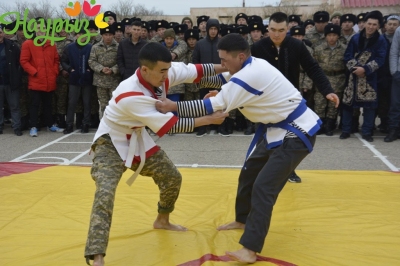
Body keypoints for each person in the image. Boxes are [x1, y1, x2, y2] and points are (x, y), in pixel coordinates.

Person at [155, 33, 339, 263]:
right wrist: (202, 84)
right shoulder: (249, 66)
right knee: (249, 172)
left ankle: (250, 249)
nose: (221, 65)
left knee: (264, 187)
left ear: (240, 56)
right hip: (275, 130)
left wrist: (173, 106)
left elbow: (214, 104)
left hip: (295, 132)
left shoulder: (252, 72)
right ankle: (242, 219)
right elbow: (225, 84)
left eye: (224, 60)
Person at [84, 42, 228, 266]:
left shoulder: (164, 71)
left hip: (137, 137)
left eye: (167, 70)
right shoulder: (130, 93)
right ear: (144, 70)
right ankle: (97, 254)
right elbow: (171, 125)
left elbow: (198, 71)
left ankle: (162, 220)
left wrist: (230, 68)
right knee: (105, 192)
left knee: (172, 178)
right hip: (110, 142)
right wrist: (209, 117)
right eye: (162, 71)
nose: (166, 75)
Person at [252, 12, 336, 183]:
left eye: (281, 30)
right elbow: (245, 74)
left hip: (289, 101)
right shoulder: (257, 48)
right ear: (267, 28)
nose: (276, 34)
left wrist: (327, 90)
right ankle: (260, 170)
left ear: (287, 28)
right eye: (273, 29)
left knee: (290, 138)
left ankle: (288, 170)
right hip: (264, 102)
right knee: (264, 137)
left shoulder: (296, 46)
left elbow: (312, 68)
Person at [340, 11, 388, 142]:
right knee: (348, 105)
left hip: (370, 78)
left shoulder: (381, 40)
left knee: (369, 106)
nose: (371, 27)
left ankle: (367, 131)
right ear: (364, 23)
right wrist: (356, 68)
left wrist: (365, 69)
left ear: (378, 26)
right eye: (369, 23)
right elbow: (347, 56)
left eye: (374, 24)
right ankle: (346, 130)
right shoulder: (355, 38)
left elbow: (380, 59)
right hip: (353, 76)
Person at [20, 19, 63, 137]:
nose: (41, 31)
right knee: (34, 104)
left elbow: (56, 60)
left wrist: (54, 72)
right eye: (38, 28)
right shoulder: (28, 44)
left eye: (43, 28)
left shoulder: (51, 43)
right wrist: (34, 72)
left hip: (49, 80)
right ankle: (33, 126)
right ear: (35, 29)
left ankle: (50, 124)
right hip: (36, 80)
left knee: (48, 104)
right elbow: (24, 61)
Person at [313, 24, 347, 136]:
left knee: (333, 105)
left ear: (338, 36)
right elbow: (313, 66)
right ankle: (320, 126)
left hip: (338, 80)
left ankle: (329, 126)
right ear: (325, 36)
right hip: (322, 80)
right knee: (320, 103)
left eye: (334, 35)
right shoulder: (318, 49)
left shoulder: (344, 49)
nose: (332, 37)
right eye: (329, 35)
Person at [61, 29, 93, 134]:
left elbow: (94, 60)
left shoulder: (90, 47)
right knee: (72, 102)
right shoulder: (69, 48)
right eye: (79, 34)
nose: (81, 36)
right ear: (76, 36)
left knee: (87, 102)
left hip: (87, 79)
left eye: (84, 34)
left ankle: (86, 124)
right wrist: (70, 69)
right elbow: (63, 61)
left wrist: (90, 70)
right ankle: (69, 124)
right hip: (74, 78)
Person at [88, 26, 120, 115]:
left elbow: (121, 61)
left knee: (115, 105)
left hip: (114, 81)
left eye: (110, 34)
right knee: (103, 105)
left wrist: (113, 70)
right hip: (100, 81)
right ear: (102, 35)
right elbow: (91, 61)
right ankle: (105, 125)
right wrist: (101, 69)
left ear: (113, 35)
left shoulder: (118, 47)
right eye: (106, 34)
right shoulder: (95, 47)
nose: (108, 37)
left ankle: (115, 125)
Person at [0, 25, 22, 136]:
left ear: (3, 33)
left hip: (10, 81)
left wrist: (16, 76)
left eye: (0, 32)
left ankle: (17, 127)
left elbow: (19, 63)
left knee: (14, 106)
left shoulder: (13, 46)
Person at [385, 22, 400, 142]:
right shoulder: (399, 31)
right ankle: (393, 130)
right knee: (395, 104)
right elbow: (394, 52)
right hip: (398, 73)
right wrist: (394, 72)